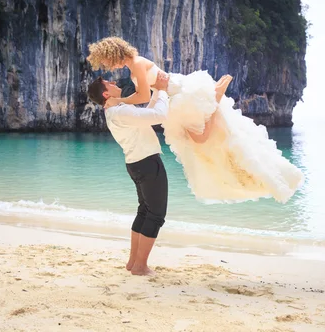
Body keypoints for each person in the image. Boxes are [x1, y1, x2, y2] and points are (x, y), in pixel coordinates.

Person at [86, 36, 305, 204]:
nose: (107, 66)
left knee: (200, 139)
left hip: (181, 94)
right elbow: (148, 95)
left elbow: (143, 96)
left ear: (113, 53)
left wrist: (120, 100)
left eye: (106, 61)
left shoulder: (136, 63)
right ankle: (215, 97)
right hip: (173, 98)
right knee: (199, 142)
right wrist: (124, 101)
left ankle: (216, 96)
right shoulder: (134, 65)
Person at [86, 72, 233, 275]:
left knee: (144, 211)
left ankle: (133, 262)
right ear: (105, 94)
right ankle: (140, 266)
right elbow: (158, 116)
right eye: (108, 83)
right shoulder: (119, 112)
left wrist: (156, 92)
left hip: (136, 163)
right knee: (156, 215)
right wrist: (163, 91)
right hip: (147, 163)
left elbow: (147, 114)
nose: (113, 82)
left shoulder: (117, 111)